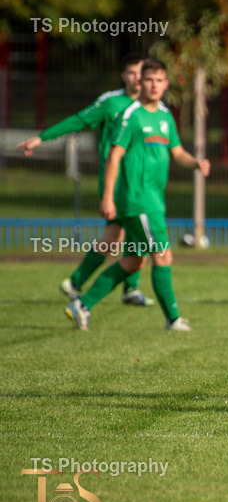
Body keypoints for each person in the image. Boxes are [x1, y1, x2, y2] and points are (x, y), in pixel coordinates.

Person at [65, 59, 210, 331]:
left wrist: (196, 163)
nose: (154, 85)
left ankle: (82, 306)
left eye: (159, 80)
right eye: (149, 80)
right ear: (139, 82)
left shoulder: (165, 117)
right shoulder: (131, 115)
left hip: (153, 200)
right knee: (163, 256)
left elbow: (177, 152)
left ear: (166, 84)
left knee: (133, 261)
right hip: (138, 200)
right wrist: (107, 197)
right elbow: (114, 156)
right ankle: (173, 319)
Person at [16, 54, 155, 307]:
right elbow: (79, 120)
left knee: (121, 234)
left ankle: (114, 286)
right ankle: (88, 284)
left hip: (140, 183)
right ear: (123, 76)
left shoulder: (152, 107)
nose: (138, 78)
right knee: (122, 234)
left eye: (142, 73)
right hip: (117, 183)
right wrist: (42, 137)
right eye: (132, 73)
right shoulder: (111, 102)